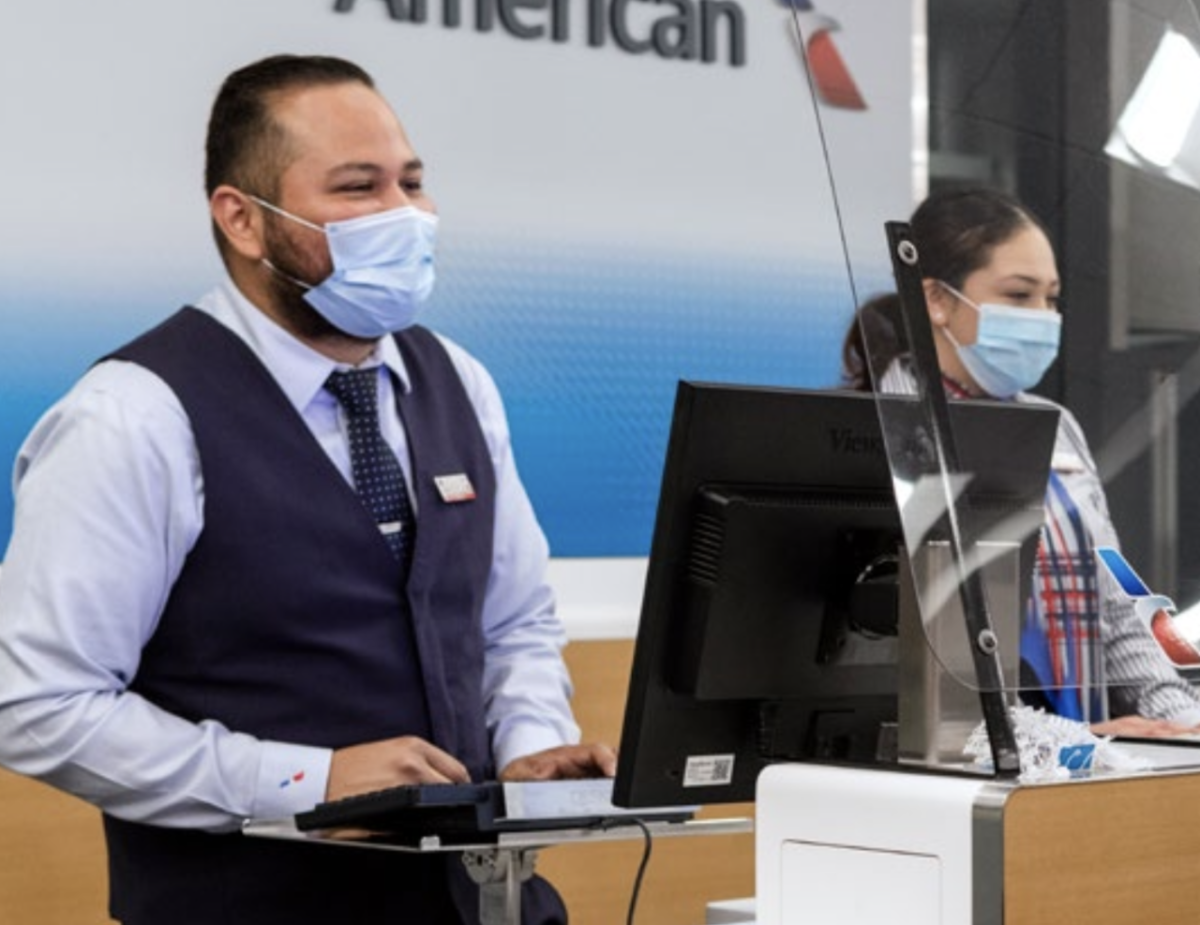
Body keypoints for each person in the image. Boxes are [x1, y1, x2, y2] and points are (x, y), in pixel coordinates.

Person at [0, 54, 616, 925]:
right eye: (358, 188)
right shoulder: (133, 415)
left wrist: (530, 748)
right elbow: (37, 704)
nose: (404, 215)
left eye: (411, 181)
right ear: (243, 219)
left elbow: (511, 623)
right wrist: (307, 781)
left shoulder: (458, 381)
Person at [842, 186, 1200, 738]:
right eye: (1019, 295)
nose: (1043, 316)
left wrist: (1182, 722)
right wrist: (1058, 742)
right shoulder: (868, 430)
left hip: (1086, 772)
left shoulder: (1056, 425)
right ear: (937, 299)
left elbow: (1118, 609)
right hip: (941, 775)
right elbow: (883, 649)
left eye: (1051, 298)